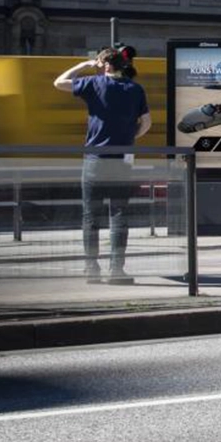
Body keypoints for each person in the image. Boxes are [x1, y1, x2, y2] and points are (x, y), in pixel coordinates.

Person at [53, 45, 151, 285]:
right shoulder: (135, 89)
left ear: (105, 64)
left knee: (91, 216)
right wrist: (129, 138)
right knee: (119, 214)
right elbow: (147, 123)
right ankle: (116, 270)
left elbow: (59, 83)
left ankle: (91, 269)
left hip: (95, 160)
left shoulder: (93, 84)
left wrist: (84, 65)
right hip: (122, 159)